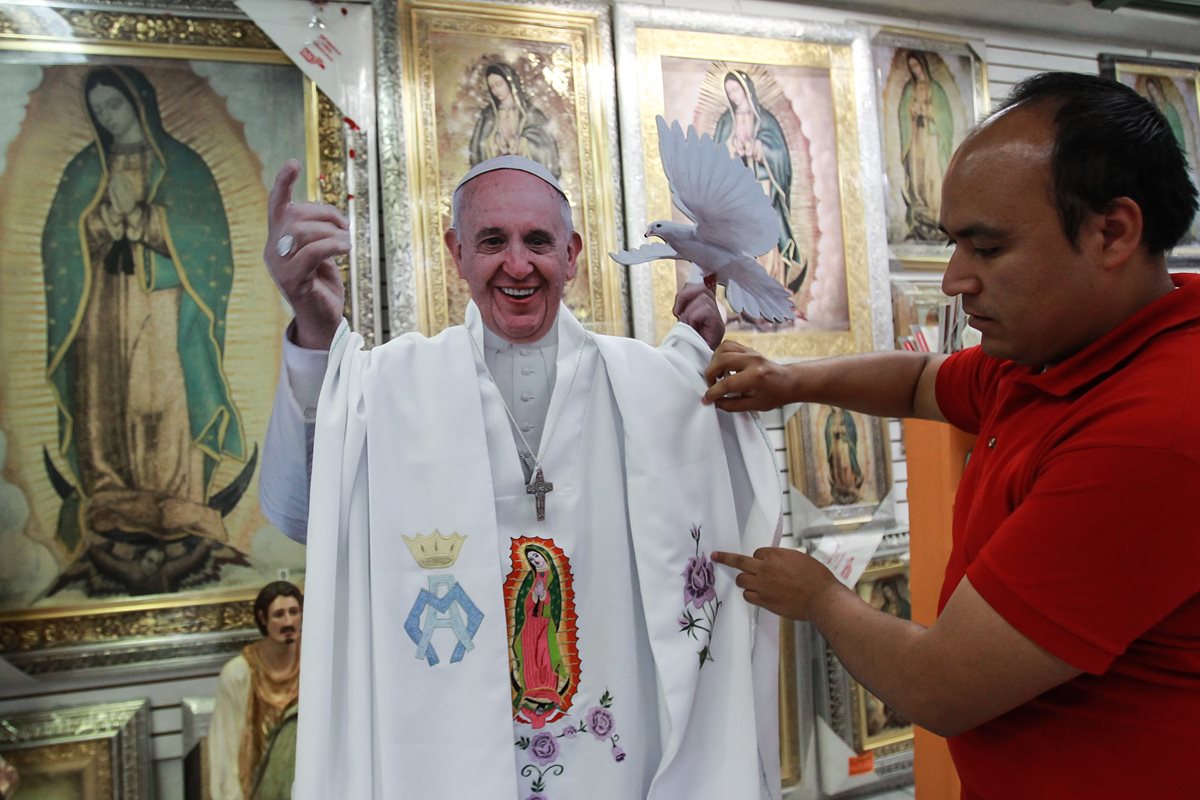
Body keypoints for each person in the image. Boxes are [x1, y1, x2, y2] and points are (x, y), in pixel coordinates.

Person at [705, 72, 1200, 798]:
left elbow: (939, 687)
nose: (953, 280)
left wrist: (818, 598)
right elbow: (920, 381)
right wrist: (793, 379)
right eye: (953, 245)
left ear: (1112, 232)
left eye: (988, 249)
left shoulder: (1153, 431)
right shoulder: (1062, 352)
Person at [257, 154, 783, 798]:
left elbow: (728, 503)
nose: (517, 265)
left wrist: (699, 365)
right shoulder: (392, 387)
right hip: (452, 754)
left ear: (572, 252)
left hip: (618, 751)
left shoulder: (646, 384)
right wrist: (313, 323)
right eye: (490, 241)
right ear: (455, 252)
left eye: (537, 241)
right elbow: (305, 507)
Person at [41, 65, 248, 595]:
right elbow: (60, 245)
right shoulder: (85, 169)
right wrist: (100, 223)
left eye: (118, 106)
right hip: (101, 307)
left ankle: (176, 502)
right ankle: (111, 497)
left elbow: (210, 250)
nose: (110, 118)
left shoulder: (181, 167)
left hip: (162, 302)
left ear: (140, 104)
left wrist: (149, 221)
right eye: (101, 110)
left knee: (159, 397)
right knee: (106, 401)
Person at [713, 70, 808, 296]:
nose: (734, 96)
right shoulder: (727, 121)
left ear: (746, 89)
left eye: (736, 90)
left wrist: (757, 148)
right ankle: (746, 292)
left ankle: (771, 286)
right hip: (738, 193)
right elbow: (715, 157)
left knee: (767, 238)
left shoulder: (765, 120)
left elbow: (780, 155)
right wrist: (732, 149)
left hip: (764, 189)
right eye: (729, 93)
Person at [209, 581, 303, 800]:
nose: (288, 622)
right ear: (263, 618)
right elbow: (226, 747)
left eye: (294, 612)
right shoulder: (239, 674)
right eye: (279, 614)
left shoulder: (315, 665)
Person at [470, 62, 562, 178]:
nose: (496, 90)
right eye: (492, 87)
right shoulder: (488, 116)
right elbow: (478, 149)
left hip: (526, 179)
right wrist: (493, 144)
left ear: (510, 83)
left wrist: (521, 144)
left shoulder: (531, 113)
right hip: (498, 179)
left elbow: (545, 147)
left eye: (499, 84)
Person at [898, 51, 953, 242]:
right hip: (916, 137)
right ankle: (920, 214)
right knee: (917, 176)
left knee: (933, 175)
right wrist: (912, 113)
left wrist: (928, 111)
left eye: (917, 66)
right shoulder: (909, 90)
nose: (916, 70)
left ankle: (936, 215)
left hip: (931, 137)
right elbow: (903, 116)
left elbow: (945, 119)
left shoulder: (935, 89)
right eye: (912, 68)